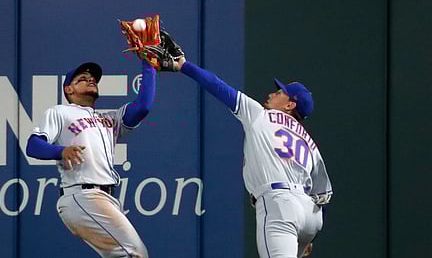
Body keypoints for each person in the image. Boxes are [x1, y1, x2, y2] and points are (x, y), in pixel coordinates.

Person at [172, 55, 333, 258]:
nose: (272, 94)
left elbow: (217, 85)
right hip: (309, 215)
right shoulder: (310, 143)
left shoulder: (260, 114)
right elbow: (323, 195)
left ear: (290, 105)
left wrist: (183, 65)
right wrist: (309, 237)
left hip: (279, 204)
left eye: (279, 92)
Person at [26, 60, 156, 258]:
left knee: (123, 254)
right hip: (82, 195)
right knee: (135, 253)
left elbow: (143, 107)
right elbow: (33, 145)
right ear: (68, 89)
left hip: (106, 199)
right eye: (82, 79)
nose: (90, 80)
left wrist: (148, 65)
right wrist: (61, 151)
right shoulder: (60, 112)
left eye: (93, 78)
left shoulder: (110, 118)